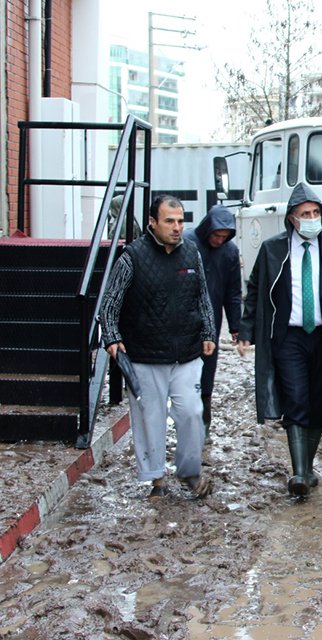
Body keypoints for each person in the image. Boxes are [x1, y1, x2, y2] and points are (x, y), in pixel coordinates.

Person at [237, 183, 322, 497]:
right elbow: (255, 290)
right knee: (295, 398)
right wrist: (246, 330)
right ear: (292, 219)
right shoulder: (273, 249)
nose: (311, 217)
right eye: (304, 213)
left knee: (319, 404)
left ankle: (306, 469)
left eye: (315, 212)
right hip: (289, 337)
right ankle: (297, 474)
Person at [101, 194, 216, 499]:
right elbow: (110, 303)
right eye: (169, 221)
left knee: (192, 412)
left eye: (180, 221)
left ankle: (190, 471)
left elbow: (202, 296)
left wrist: (209, 331)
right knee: (150, 420)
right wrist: (112, 338)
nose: (177, 227)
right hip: (144, 356)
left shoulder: (192, 253)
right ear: (153, 222)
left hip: (186, 352)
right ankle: (156, 480)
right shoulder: (132, 257)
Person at [185, 204, 243, 442]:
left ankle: (203, 423)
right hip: (183, 317)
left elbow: (233, 291)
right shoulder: (188, 242)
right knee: (183, 371)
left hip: (212, 320)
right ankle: (185, 421)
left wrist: (236, 326)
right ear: (207, 229)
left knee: (208, 369)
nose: (219, 240)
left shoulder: (229, 251)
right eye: (216, 235)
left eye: (224, 236)